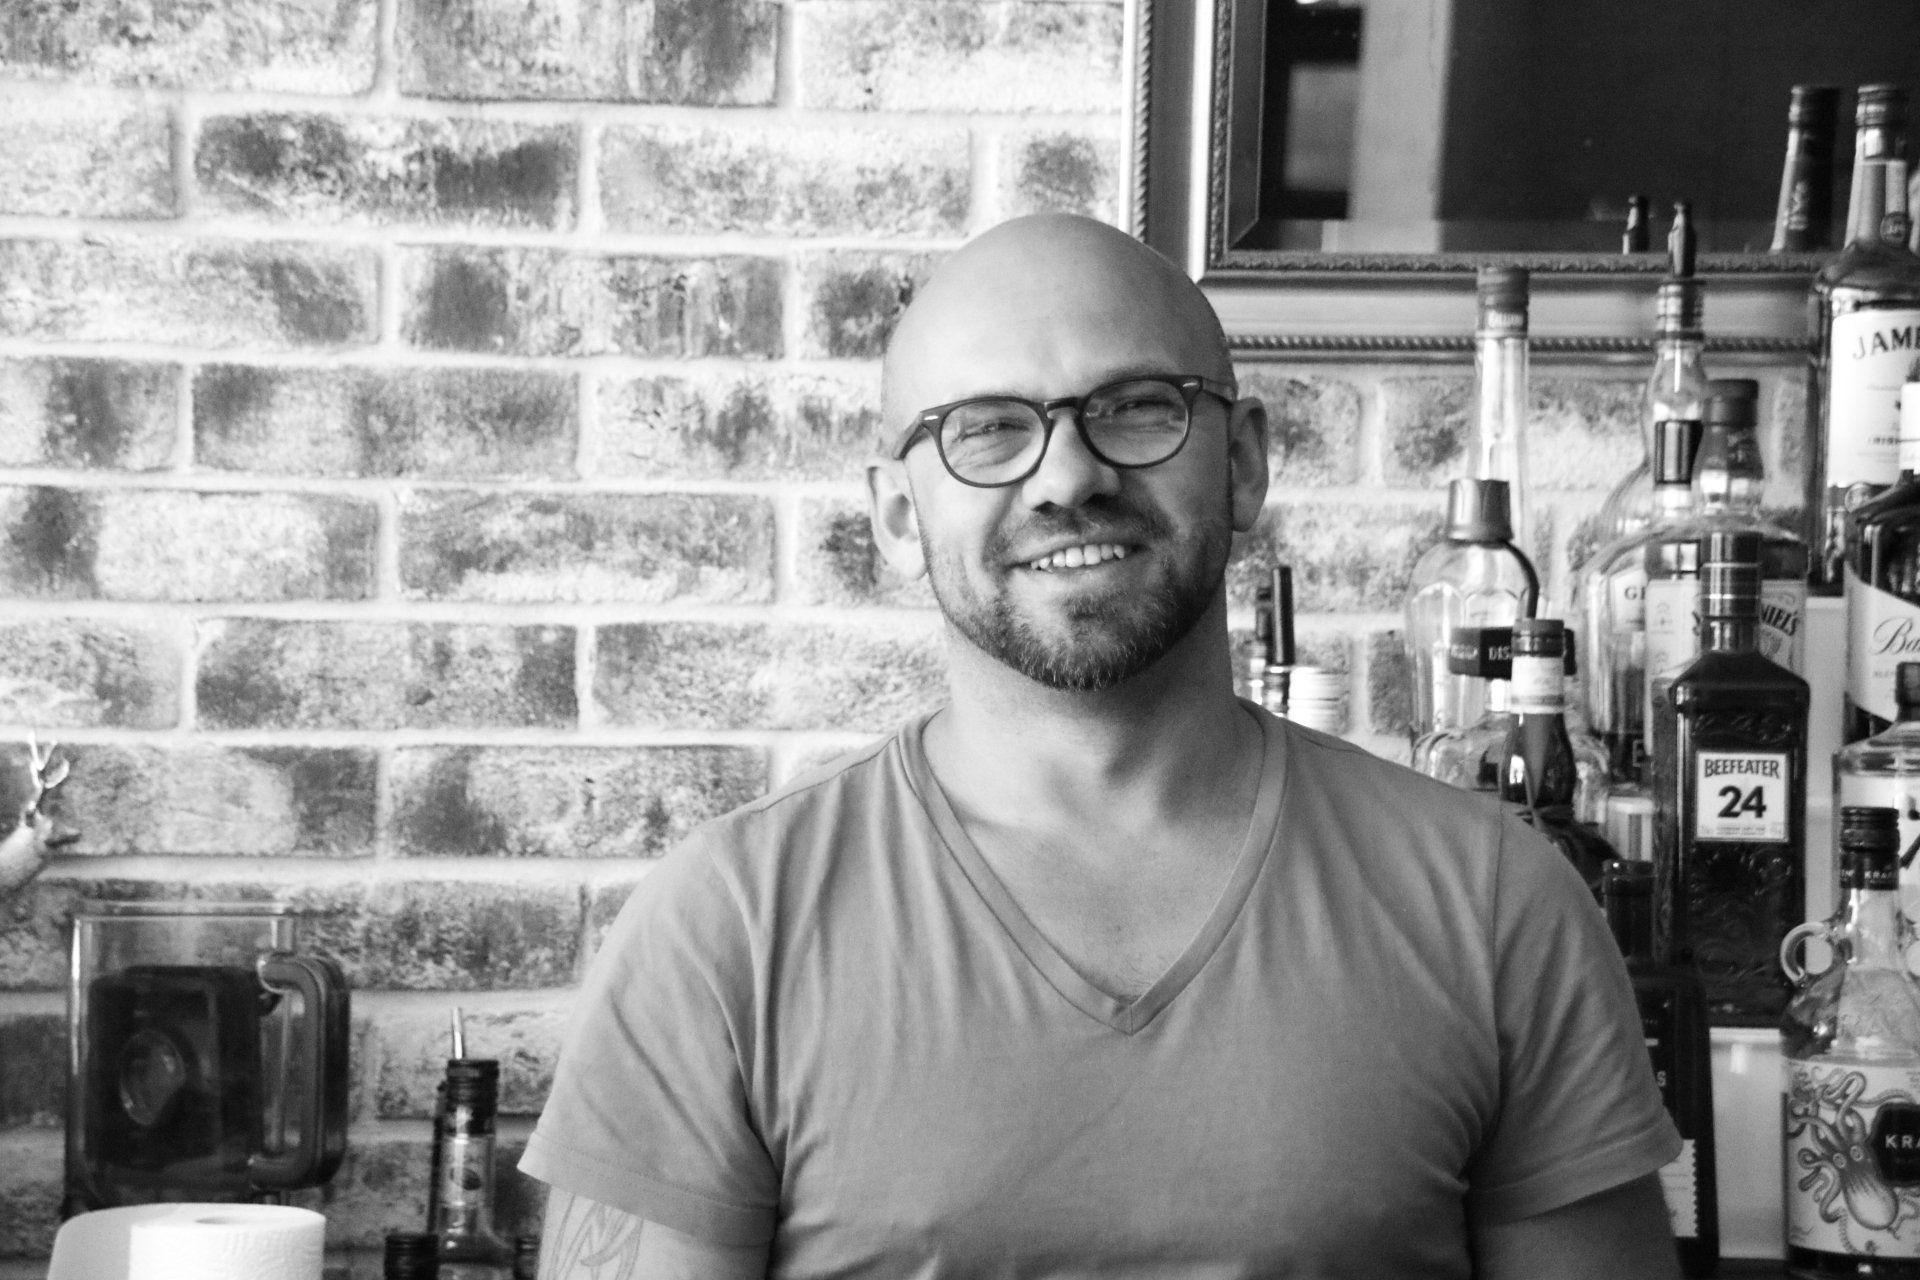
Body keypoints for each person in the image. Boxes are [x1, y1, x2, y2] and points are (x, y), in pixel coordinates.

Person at [520, 214, 1683, 1279]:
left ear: (1243, 462)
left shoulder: (1494, 901)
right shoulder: (727, 925)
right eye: (987, 428)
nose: (1069, 475)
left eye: (1135, 406)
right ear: (897, 514)